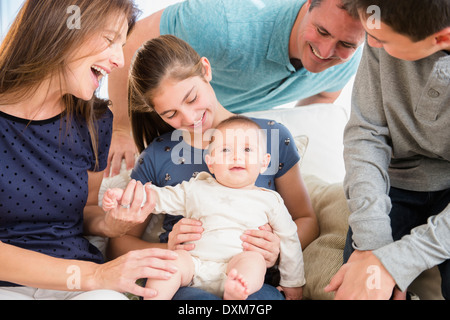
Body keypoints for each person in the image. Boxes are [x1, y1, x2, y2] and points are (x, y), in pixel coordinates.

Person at [107, 34, 317, 300]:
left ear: (205, 70)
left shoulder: (271, 139)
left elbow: (306, 219)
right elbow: (118, 243)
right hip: (186, 281)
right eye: (170, 114)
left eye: (192, 98)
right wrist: (168, 252)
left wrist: (279, 247)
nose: (190, 118)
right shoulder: (158, 156)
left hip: (253, 283)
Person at [0, 0, 180, 300]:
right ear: (59, 26)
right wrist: (96, 274)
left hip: (79, 280)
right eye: (109, 40)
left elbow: (82, 212)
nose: (119, 60)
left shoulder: (95, 121)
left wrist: (111, 223)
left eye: (121, 45)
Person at [105, 0, 366, 178]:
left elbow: (323, 96)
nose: (325, 51)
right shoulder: (223, 21)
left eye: (346, 43)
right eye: (321, 31)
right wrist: (121, 129)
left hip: (219, 142)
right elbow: (129, 42)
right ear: (308, 3)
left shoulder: (348, 62)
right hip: (151, 126)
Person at [325, 0, 450, 300]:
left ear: (441, 38)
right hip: (397, 180)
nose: (370, 43)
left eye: (382, 39)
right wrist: (372, 244)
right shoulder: (381, 23)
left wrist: (394, 262)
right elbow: (365, 134)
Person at [103, 116, 305, 300]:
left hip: (237, 265)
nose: (236, 157)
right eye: (226, 150)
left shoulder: (270, 201)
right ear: (210, 163)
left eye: (247, 150)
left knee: (254, 262)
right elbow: (158, 198)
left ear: (264, 162)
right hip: (194, 263)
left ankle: (236, 294)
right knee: (171, 263)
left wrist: (292, 283)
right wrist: (125, 197)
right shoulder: (196, 188)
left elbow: (290, 238)